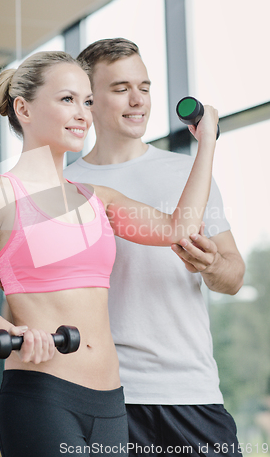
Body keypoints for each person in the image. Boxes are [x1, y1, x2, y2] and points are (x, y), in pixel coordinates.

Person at [0, 50, 219, 457]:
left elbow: (178, 229)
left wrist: (207, 145)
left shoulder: (96, 199)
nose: (82, 114)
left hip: (110, 402)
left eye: (87, 101)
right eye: (67, 100)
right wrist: (11, 333)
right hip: (42, 396)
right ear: (23, 108)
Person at [64, 38, 245, 456]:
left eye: (144, 87)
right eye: (121, 88)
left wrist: (212, 264)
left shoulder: (188, 172)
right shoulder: (67, 187)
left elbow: (233, 277)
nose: (138, 100)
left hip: (191, 388)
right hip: (107, 393)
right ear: (88, 100)